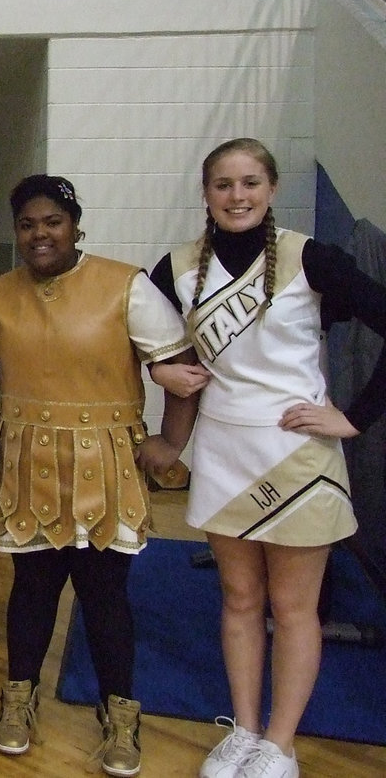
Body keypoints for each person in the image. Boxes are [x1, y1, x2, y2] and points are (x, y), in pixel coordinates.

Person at [149, 138, 386, 778]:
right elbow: (136, 343)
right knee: (239, 597)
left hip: (297, 454)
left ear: (271, 189)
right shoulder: (175, 267)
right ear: (206, 193)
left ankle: (281, 744)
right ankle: (245, 729)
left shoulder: (311, 257)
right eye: (224, 184)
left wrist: (353, 418)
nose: (237, 196)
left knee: (294, 606)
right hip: (223, 451)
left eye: (250, 182)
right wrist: (161, 371)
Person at [0, 174, 197, 777]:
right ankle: (18, 698)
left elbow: (180, 366)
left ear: (75, 224)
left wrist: (171, 442)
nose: (40, 234)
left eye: (52, 221)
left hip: (106, 465)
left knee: (104, 594)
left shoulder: (125, 286)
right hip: (30, 467)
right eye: (27, 224)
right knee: (32, 589)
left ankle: (119, 713)